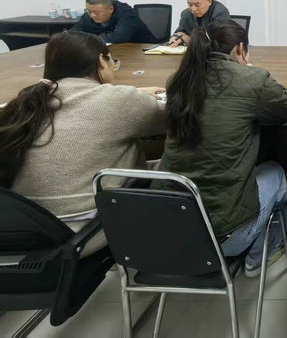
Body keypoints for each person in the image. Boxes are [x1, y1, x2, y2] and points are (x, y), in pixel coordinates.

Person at [0, 31, 165, 254]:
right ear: (101, 61)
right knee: (174, 165)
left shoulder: (27, 102)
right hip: (80, 233)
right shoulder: (119, 99)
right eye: (112, 61)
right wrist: (138, 96)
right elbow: (177, 118)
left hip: (23, 230)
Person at [161, 20, 287, 276]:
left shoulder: (178, 81)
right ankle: (258, 256)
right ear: (240, 49)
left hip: (171, 230)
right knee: (277, 171)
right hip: (227, 238)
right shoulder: (251, 79)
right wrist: (255, 75)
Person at [71, 0, 156, 43]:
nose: (92, 15)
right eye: (89, 11)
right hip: (114, 52)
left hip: (143, 50)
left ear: (110, 9)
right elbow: (72, 34)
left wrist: (89, 40)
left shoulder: (126, 13)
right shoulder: (88, 16)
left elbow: (119, 37)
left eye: (97, 12)